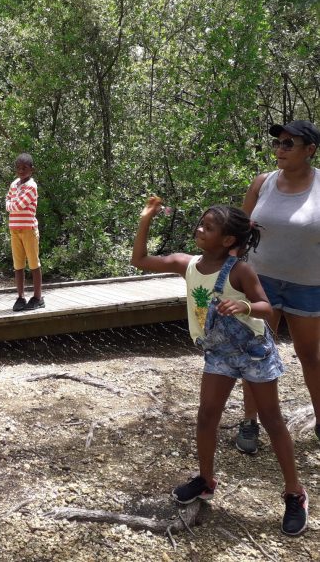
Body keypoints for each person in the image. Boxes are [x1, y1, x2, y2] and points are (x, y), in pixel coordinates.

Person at [131, 198, 308, 536]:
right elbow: (139, 260)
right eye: (201, 223)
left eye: (208, 227)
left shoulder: (240, 270)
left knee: (272, 420)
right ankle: (205, 480)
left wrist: (244, 306)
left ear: (228, 240)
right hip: (218, 354)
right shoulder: (187, 264)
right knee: (207, 415)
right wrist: (145, 220)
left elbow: (267, 308)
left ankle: (294, 493)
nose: (200, 229)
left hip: (253, 352)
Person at [236, 119, 320, 455]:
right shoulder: (263, 183)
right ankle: (250, 421)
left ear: (310, 150)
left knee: (310, 355)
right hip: (260, 283)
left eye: (288, 144)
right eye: (277, 143)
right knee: (256, 351)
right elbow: (239, 231)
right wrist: (225, 271)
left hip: (308, 284)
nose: (279, 149)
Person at [6, 153, 44, 311]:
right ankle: (20, 297)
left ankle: (38, 297)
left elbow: (17, 205)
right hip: (15, 229)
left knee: (34, 264)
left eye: (24, 168)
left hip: (29, 229)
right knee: (18, 265)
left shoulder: (31, 186)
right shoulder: (14, 184)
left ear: (31, 169)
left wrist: (11, 203)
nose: (21, 171)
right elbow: (8, 201)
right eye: (18, 168)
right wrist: (11, 203)